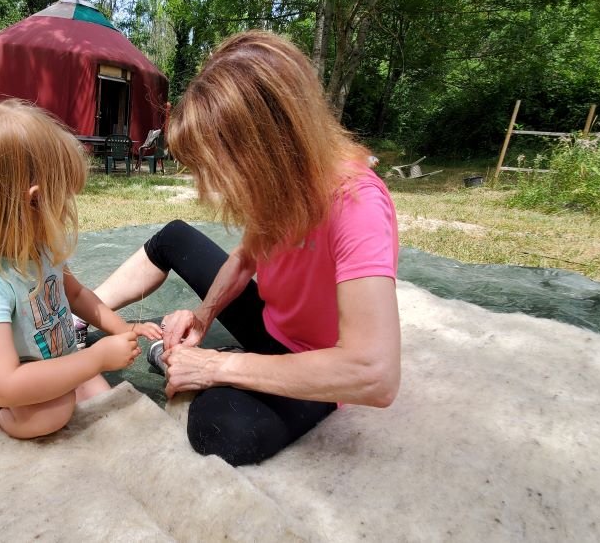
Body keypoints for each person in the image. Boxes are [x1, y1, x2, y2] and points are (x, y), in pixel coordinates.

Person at [88, 31, 402, 466]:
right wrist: (203, 318)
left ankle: (206, 362)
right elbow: (244, 257)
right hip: (270, 326)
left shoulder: (357, 204)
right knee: (176, 236)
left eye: (218, 166)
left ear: (267, 145)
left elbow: (374, 373)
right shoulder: (284, 182)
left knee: (219, 429)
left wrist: (216, 367)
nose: (215, 186)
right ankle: (79, 313)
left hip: (315, 364)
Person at [0, 101, 162, 439]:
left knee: (109, 410)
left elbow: (75, 294)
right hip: (16, 380)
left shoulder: (41, 245)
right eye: (64, 198)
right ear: (34, 201)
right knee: (53, 412)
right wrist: (97, 359)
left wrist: (122, 329)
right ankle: (5, 421)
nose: (67, 209)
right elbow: (5, 383)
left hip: (62, 362)